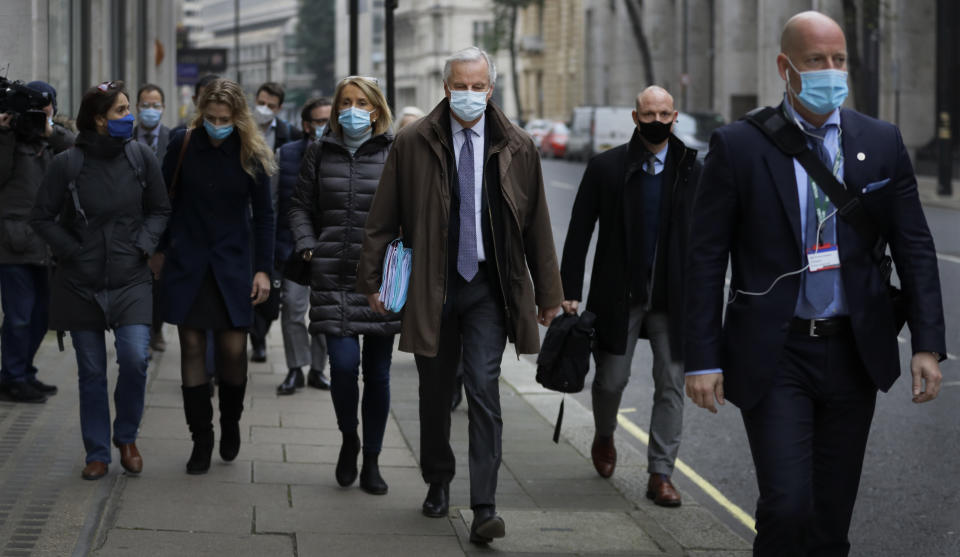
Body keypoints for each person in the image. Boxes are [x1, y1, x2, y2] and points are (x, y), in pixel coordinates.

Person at [684, 11, 945, 555]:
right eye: (815, 61)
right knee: (787, 506)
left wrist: (927, 345)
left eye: (839, 60)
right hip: (777, 353)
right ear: (786, 68)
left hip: (854, 351)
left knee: (830, 520)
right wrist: (702, 358)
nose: (832, 72)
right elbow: (704, 260)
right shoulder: (738, 147)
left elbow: (915, 247)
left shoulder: (882, 140)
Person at [358, 46, 563, 545]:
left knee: (483, 389)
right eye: (459, 86)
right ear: (445, 87)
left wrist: (549, 293)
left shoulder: (518, 145)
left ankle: (485, 505)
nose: (468, 95)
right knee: (433, 392)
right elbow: (382, 219)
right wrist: (372, 282)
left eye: (477, 87)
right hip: (433, 287)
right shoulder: (412, 143)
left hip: (488, 291)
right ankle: (438, 479)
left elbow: (536, 225)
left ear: (490, 89)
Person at [560, 86, 701, 506]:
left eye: (664, 114)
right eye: (648, 114)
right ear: (634, 117)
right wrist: (569, 292)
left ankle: (661, 473)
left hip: (674, 298)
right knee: (610, 381)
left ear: (674, 117)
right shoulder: (606, 167)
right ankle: (605, 435)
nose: (657, 121)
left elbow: (712, 238)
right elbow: (580, 230)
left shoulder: (694, 170)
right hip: (619, 295)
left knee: (671, 383)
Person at [30, 80, 171, 479]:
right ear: (99, 120)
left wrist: (143, 245)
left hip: (131, 278)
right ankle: (96, 452)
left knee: (134, 357)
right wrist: (72, 250)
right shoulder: (68, 164)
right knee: (91, 371)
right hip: (80, 283)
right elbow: (41, 217)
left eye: (128, 109)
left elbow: (160, 209)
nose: (129, 117)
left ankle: (126, 436)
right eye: (121, 111)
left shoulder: (141, 157)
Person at [289, 77, 399, 494]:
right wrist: (308, 246)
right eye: (346, 102)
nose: (353, 109)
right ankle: (348, 437)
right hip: (332, 274)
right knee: (344, 366)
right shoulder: (320, 151)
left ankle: (372, 457)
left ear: (376, 109)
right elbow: (299, 206)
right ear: (336, 110)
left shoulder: (396, 152)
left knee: (378, 371)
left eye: (362, 102)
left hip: (380, 280)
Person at [160, 78, 276, 475]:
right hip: (187, 263)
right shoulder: (183, 144)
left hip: (233, 265)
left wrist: (263, 270)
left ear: (238, 117)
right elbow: (164, 200)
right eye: (210, 117)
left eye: (224, 118)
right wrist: (159, 253)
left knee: (231, 351)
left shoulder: (252, 152)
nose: (216, 124)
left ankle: (230, 422)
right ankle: (201, 439)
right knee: (191, 346)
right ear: (200, 113)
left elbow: (265, 217)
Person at [0, 80, 74, 403]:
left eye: (47, 110)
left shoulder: (51, 137)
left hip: (45, 244)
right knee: (18, 316)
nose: (40, 115)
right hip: (12, 243)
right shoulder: (8, 139)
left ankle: (25, 372)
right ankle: (12, 378)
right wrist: (4, 135)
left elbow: (76, 149)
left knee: (42, 316)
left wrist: (48, 130)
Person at [275, 97, 332, 395]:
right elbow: (274, 206)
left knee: (322, 315)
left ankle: (318, 370)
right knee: (293, 312)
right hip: (293, 249)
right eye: (320, 121)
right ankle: (296, 368)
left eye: (329, 120)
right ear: (307, 125)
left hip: (330, 250)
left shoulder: (343, 156)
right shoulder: (285, 155)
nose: (325, 126)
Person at [249, 81, 303, 363]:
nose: (264, 109)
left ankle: (259, 336)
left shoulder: (288, 135)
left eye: (270, 105)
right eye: (260, 102)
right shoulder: (241, 131)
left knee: (270, 288)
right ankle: (253, 335)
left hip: (273, 219)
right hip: (244, 217)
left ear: (279, 108)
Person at [133, 83, 172, 353]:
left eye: (155, 105)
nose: (150, 110)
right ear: (137, 108)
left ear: (163, 108)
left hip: (165, 222)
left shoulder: (173, 139)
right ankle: (142, 330)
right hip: (133, 220)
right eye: (145, 105)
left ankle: (156, 329)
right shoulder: (128, 138)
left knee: (160, 280)